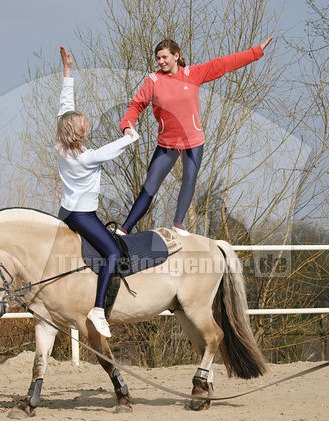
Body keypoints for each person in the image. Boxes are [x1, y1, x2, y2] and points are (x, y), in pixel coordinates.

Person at [117, 36, 273, 236]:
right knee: (150, 186)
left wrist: (255, 52)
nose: (161, 61)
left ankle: (178, 223)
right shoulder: (153, 81)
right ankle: (124, 229)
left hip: (193, 142)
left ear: (176, 56)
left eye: (164, 57)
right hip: (167, 144)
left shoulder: (192, 74)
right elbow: (136, 105)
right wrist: (127, 126)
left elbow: (223, 64)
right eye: (158, 58)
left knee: (189, 179)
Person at [57, 45, 139, 337]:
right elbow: (109, 151)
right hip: (82, 215)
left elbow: (65, 109)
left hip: (66, 211)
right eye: (85, 127)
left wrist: (68, 73)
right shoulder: (87, 157)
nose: (88, 128)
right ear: (78, 133)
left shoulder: (62, 149)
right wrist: (131, 136)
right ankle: (99, 309)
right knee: (113, 252)